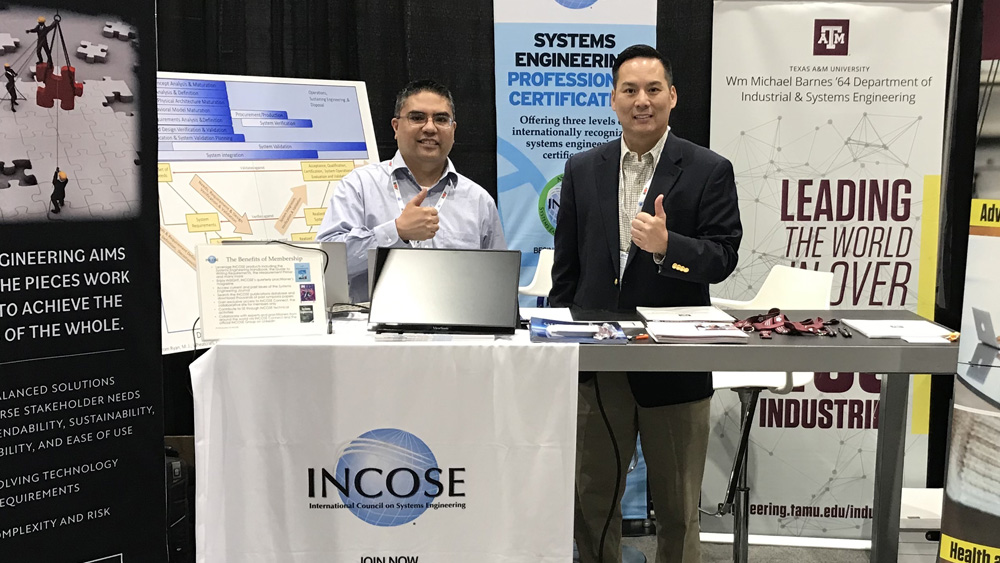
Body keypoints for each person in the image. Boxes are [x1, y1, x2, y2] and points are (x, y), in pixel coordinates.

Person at [549, 44, 742, 563]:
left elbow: (724, 257)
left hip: (674, 366)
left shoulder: (708, 169)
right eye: (629, 90)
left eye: (653, 89)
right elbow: (567, 271)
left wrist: (668, 247)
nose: (642, 100)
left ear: (673, 96)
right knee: (592, 505)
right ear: (612, 99)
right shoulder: (583, 168)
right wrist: (556, 352)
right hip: (599, 363)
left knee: (678, 511)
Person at [317, 79, 506, 301]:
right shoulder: (359, 186)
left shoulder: (478, 200)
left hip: (455, 331)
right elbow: (326, 262)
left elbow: (499, 282)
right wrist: (395, 232)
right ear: (396, 127)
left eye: (441, 119)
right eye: (417, 118)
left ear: (453, 130)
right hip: (372, 331)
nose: (429, 127)